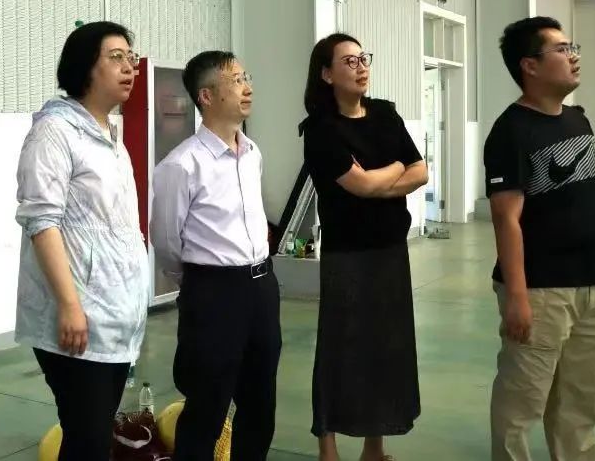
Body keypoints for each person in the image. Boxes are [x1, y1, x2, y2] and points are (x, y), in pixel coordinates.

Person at [15, 21, 150, 460]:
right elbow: (41, 221)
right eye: (116, 57)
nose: (129, 67)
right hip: (78, 319)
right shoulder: (55, 132)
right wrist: (70, 305)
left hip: (113, 317)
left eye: (131, 58)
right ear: (84, 67)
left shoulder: (111, 137)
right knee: (87, 439)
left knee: (91, 439)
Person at [484, 17, 595, 461]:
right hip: (541, 291)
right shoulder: (510, 131)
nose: (573, 56)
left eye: (571, 47)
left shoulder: (578, 121)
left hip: (590, 287)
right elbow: (506, 218)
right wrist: (517, 296)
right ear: (530, 66)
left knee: (580, 401)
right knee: (521, 403)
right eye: (562, 49)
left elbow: (588, 202)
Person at [299, 33, 427, 461]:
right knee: (340, 348)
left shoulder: (385, 114)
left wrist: (378, 182)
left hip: (390, 249)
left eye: (363, 59)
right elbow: (364, 185)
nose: (360, 67)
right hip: (347, 255)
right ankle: (328, 445)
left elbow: (421, 172)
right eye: (349, 61)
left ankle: (375, 447)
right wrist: (394, 168)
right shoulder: (321, 130)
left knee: (386, 347)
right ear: (326, 73)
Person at [150, 50, 281, 461]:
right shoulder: (181, 165)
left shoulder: (253, 153)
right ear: (206, 96)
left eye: (246, 77)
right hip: (213, 294)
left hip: (262, 287)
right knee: (207, 408)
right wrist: (201, 283)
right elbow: (166, 241)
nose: (247, 87)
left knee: (260, 405)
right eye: (236, 80)